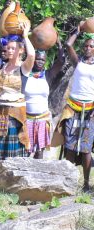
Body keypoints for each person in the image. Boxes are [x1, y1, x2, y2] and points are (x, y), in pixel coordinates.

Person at [0, 23, 35, 161]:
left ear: (21, 50)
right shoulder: (1, 68)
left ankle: (9, 180)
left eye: (14, 48)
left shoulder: (23, 68)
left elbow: (32, 55)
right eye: (9, 48)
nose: (10, 50)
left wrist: (25, 36)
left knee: (12, 153)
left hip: (15, 113)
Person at [54, 28, 94, 191]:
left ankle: (85, 183)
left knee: (86, 148)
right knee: (69, 145)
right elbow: (69, 44)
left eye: (91, 46)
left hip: (90, 110)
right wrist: (78, 31)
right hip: (73, 108)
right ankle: (68, 181)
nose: (88, 49)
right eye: (86, 46)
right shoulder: (78, 62)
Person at [24, 39, 64, 158]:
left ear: (45, 61)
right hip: (27, 118)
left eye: (42, 59)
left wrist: (59, 44)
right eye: (37, 58)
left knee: (39, 150)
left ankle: (38, 175)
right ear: (33, 59)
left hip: (42, 119)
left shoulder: (48, 75)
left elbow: (61, 61)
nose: (40, 61)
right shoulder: (25, 74)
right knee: (25, 150)